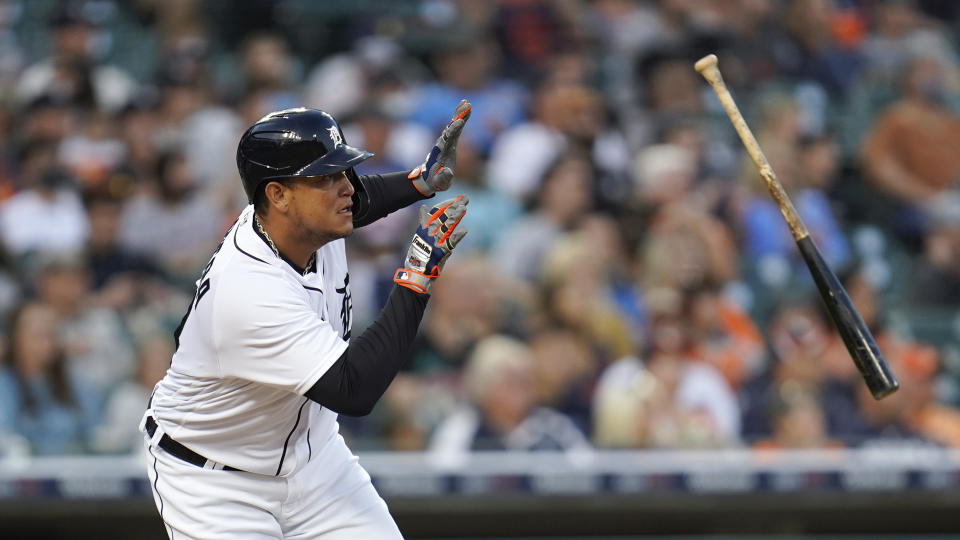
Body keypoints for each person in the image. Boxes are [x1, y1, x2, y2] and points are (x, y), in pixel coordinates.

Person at [141, 101, 471, 539]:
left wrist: (420, 183)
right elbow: (355, 390)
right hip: (216, 478)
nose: (345, 187)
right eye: (325, 177)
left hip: (312, 459)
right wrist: (416, 276)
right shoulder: (249, 291)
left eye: (342, 172)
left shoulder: (299, 221)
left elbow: (360, 197)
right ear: (277, 194)